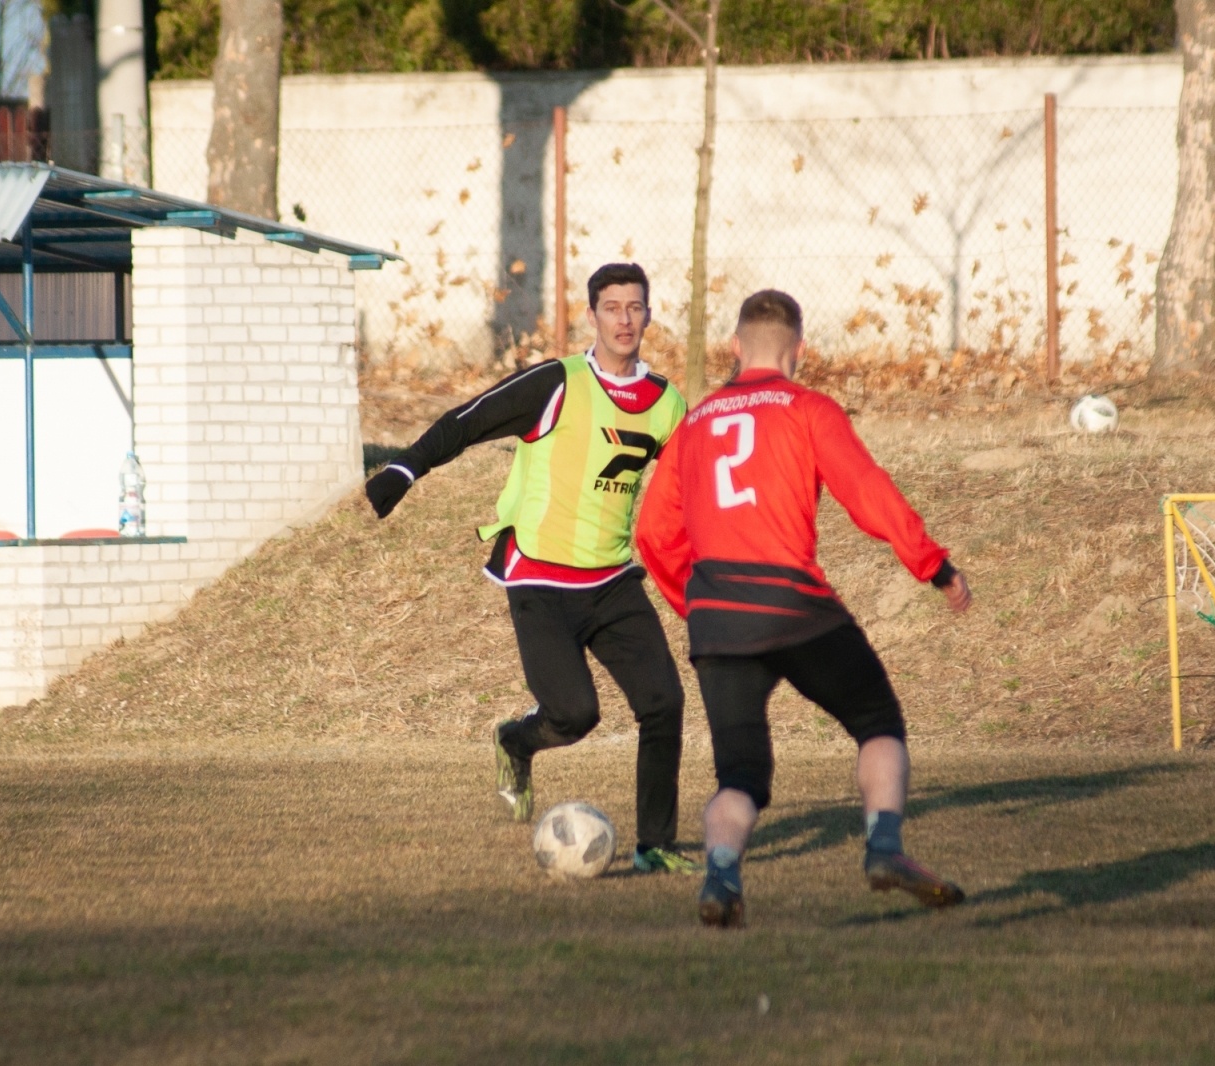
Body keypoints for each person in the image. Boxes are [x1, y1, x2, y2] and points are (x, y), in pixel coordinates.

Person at [635, 290, 972, 927]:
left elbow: (654, 533)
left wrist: (699, 605)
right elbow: (867, 492)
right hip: (792, 604)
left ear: (735, 347)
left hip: (717, 618)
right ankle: (883, 847)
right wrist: (932, 565)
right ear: (800, 350)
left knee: (739, 775)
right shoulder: (807, 408)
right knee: (876, 720)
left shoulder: (695, 423)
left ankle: (721, 876)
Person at [363, 263, 698, 873]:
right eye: (612, 307)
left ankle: (656, 846)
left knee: (663, 701)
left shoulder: (667, 403)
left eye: (635, 307)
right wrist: (405, 469)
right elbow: (469, 419)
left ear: (649, 315)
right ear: (591, 316)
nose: (624, 319)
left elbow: (691, 489)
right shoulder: (558, 382)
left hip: (613, 581)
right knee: (574, 714)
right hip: (540, 579)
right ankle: (515, 741)